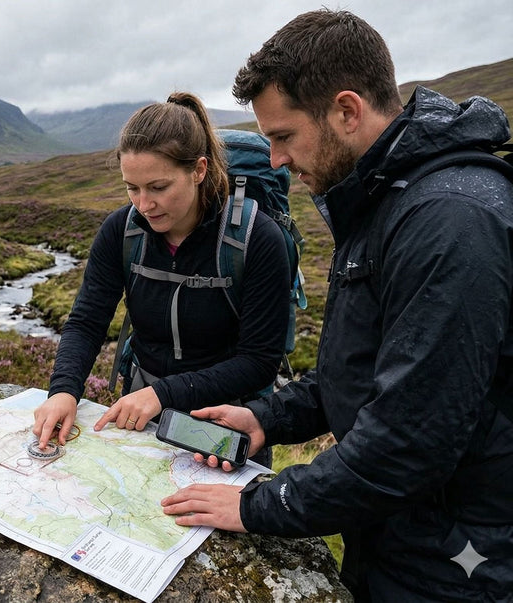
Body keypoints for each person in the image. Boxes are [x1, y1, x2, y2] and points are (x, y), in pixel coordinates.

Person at [159, 9, 513, 601]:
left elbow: (408, 440)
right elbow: (365, 369)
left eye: (282, 136)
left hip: (461, 565)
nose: (275, 160)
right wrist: (267, 420)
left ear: (346, 111)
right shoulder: (386, 199)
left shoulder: (449, 221)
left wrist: (258, 504)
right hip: (404, 537)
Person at [32, 91, 291, 467]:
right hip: (142, 410)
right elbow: (87, 322)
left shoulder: (256, 239)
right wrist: (63, 391)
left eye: (158, 187)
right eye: (131, 188)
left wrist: (164, 394)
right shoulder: (121, 231)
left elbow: (259, 361)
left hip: (225, 420)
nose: (143, 204)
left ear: (199, 170)